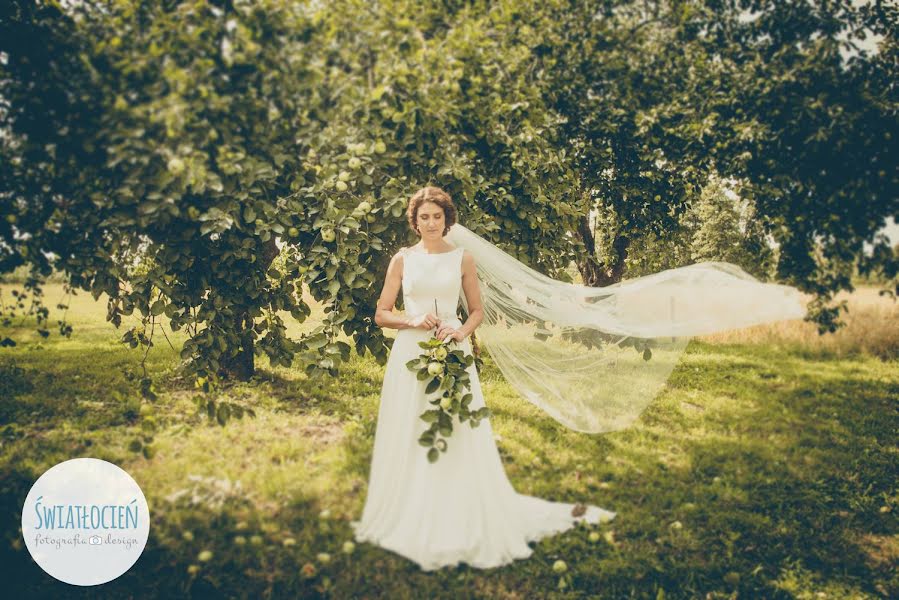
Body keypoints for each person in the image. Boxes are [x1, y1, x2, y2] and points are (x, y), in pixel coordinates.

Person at [350, 186, 616, 571]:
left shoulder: (463, 258)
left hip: (452, 352)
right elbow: (381, 313)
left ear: (447, 219)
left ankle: (459, 508)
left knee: (456, 427)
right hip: (411, 355)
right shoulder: (402, 260)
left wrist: (460, 332)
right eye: (423, 217)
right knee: (412, 427)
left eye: (436, 216)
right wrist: (411, 319)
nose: (430, 223)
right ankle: (411, 507)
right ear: (414, 220)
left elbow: (476, 310)